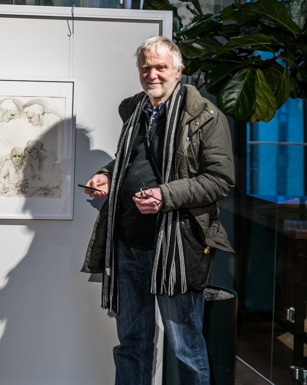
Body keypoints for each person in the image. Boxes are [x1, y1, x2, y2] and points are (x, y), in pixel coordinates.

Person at [81, 36, 234, 385]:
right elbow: (130, 162)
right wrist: (106, 176)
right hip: (128, 246)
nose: (153, 74)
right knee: (132, 344)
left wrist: (165, 196)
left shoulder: (205, 117)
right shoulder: (136, 110)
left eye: (161, 67)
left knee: (185, 347)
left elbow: (220, 180)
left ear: (178, 71)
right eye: (146, 67)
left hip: (177, 250)